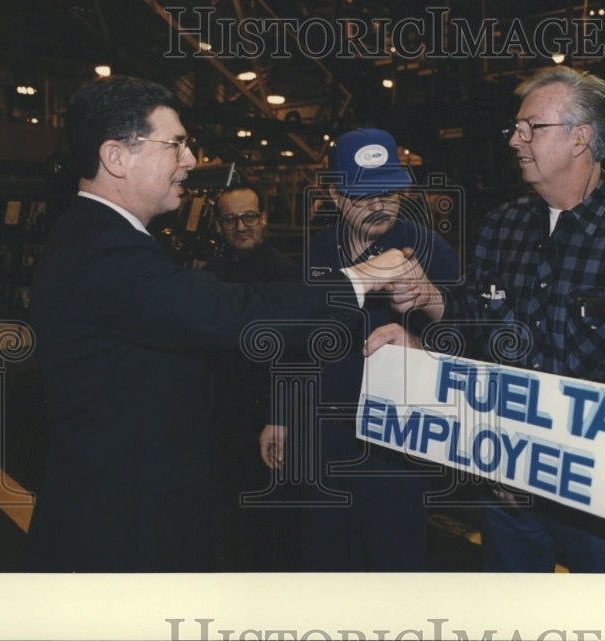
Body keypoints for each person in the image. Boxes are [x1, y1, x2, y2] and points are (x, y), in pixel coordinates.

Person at [22, 76, 413, 572]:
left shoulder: (101, 236)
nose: (190, 160)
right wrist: (359, 279)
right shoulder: (103, 248)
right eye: (176, 144)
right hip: (122, 520)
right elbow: (230, 314)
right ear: (116, 157)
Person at [369, 66, 605, 572]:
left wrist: (534, 457)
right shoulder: (504, 225)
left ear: (581, 138)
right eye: (515, 129)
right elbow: (478, 326)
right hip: (505, 483)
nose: (516, 140)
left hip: (593, 491)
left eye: (531, 127)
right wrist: (426, 325)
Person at [261, 127, 460, 571]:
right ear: (333, 193)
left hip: (397, 446)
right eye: (362, 194)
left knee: (396, 567)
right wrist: (280, 414)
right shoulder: (316, 253)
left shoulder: (432, 250)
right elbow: (295, 344)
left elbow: (468, 341)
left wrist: (427, 318)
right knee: (328, 563)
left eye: (388, 192)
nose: (378, 205)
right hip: (325, 439)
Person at [200, 183, 300, 570]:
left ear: (264, 220)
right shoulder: (211, 274)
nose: (240, 226)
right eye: (229, 218)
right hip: (224, 414)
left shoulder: (286, 274)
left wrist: (280, 416)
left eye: (249, 217)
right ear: (219, 224)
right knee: (228, 516)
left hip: (269, 419)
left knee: (269, 523)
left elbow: (294, 355)